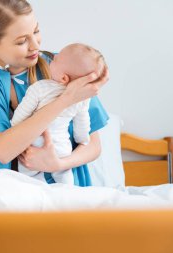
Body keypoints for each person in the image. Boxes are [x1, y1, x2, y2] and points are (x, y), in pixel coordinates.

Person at [0, 0, 109, 186]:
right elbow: (3, 150)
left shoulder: (62, 65)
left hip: (69, 188)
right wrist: (65, 100)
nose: (35, 46)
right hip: (12, 191)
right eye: (22, 41)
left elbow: (93, 146)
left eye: (36, 31)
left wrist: (57, 164)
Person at [10, 43, 106, 184]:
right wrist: (82, 139)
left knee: (28, 177)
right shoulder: (82, 99)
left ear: (64, 78)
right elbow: (82, 124)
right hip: (62, 149)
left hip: (35, 145)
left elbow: (21, 115)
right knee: (65, 179)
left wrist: (14, 126)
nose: (52, 57)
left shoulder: (40, 87)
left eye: (55, 60)